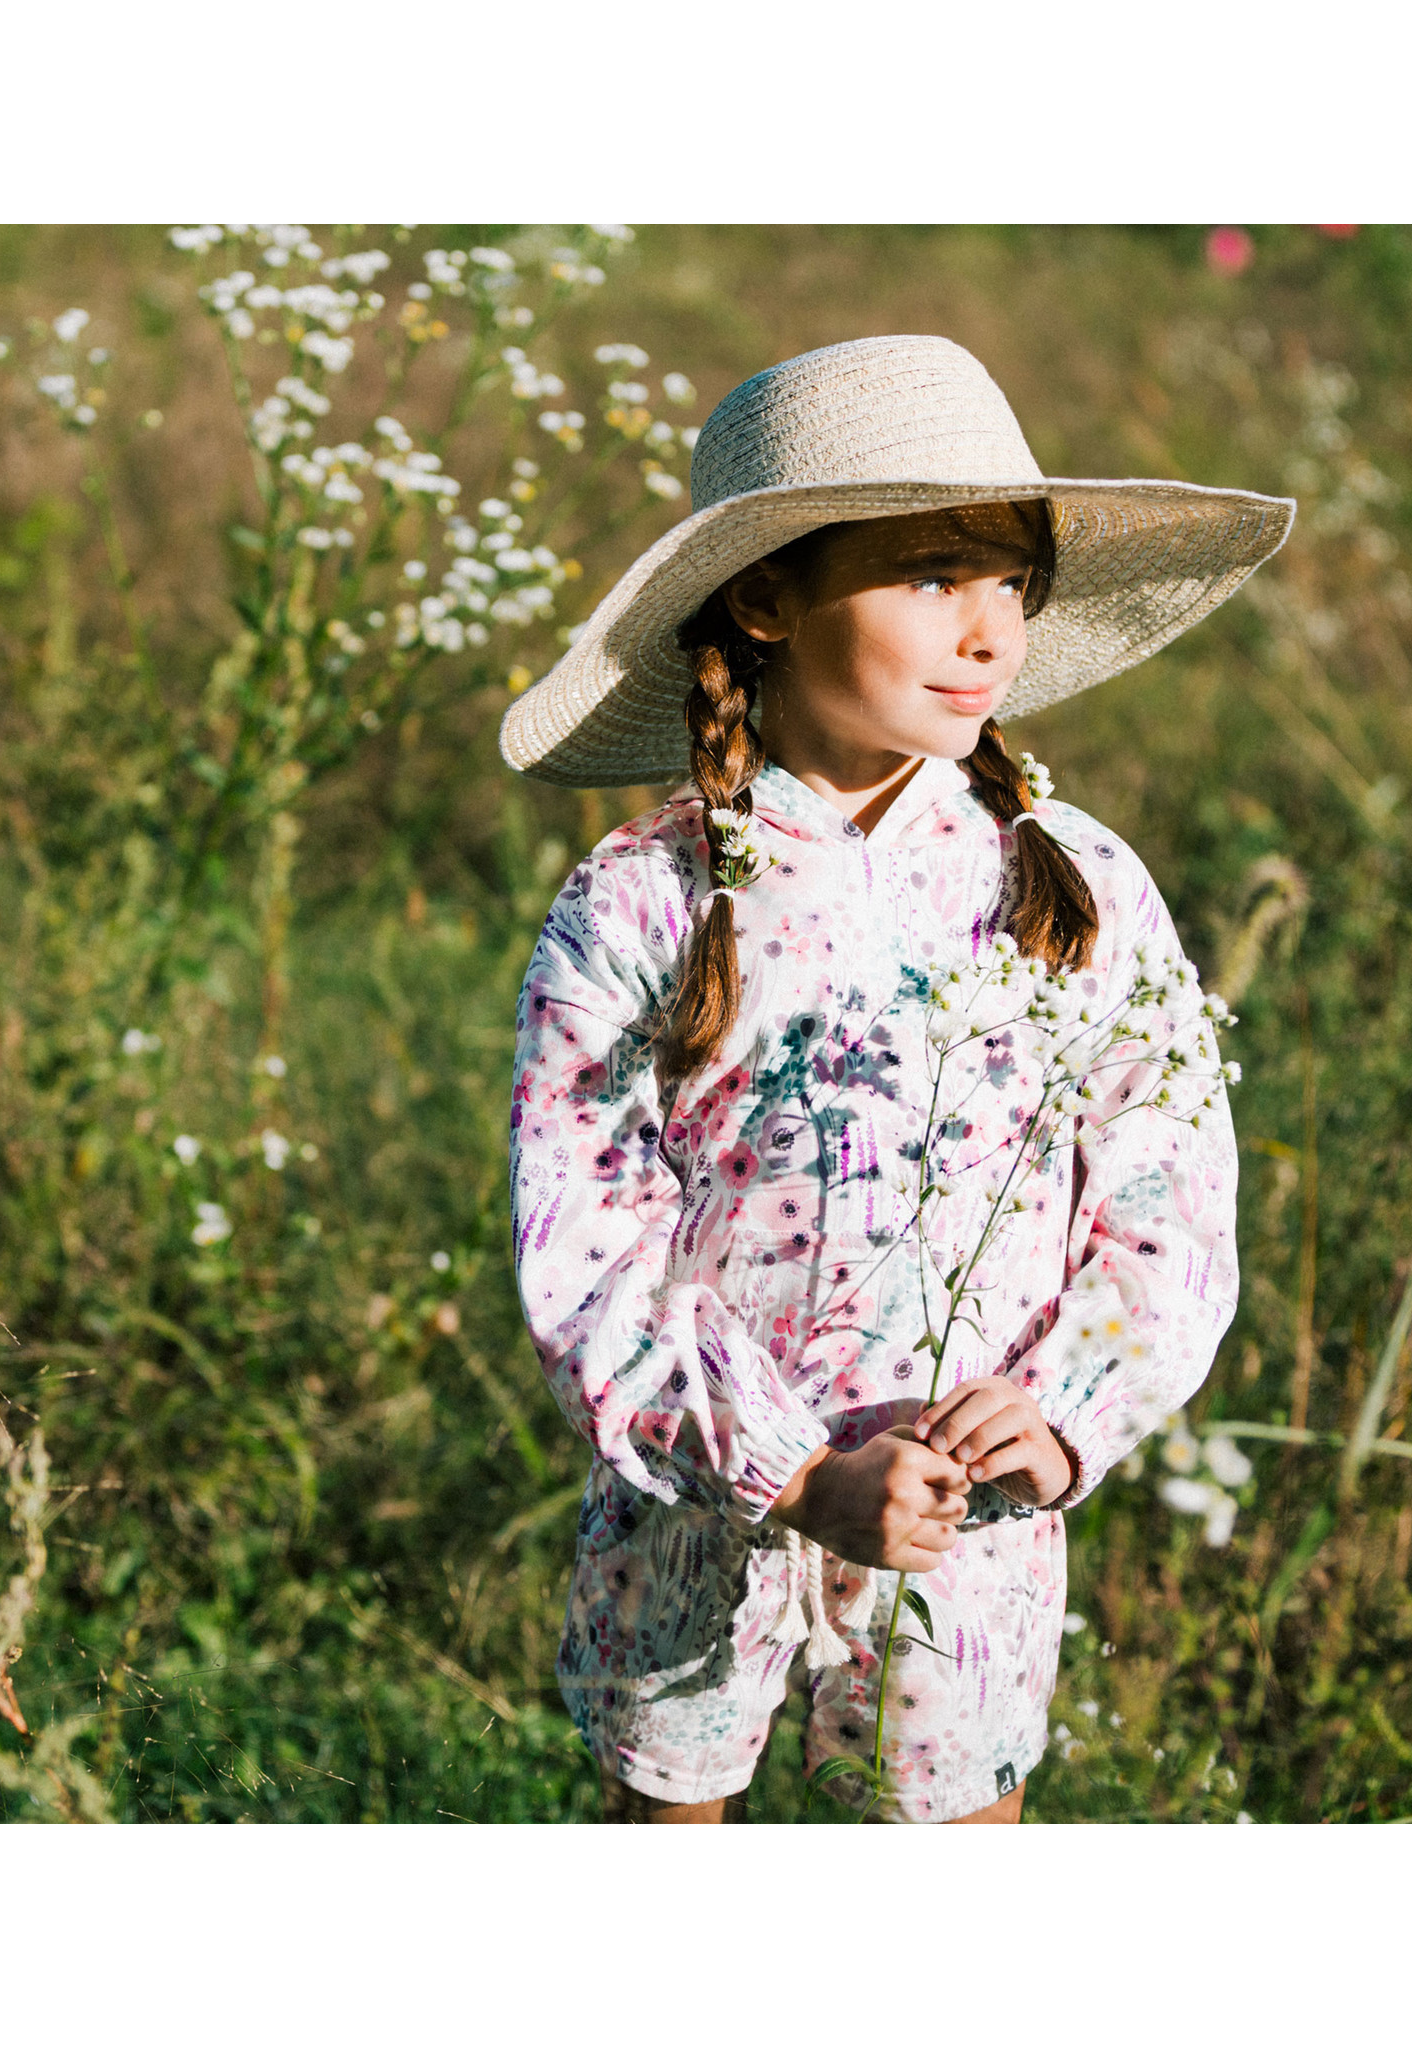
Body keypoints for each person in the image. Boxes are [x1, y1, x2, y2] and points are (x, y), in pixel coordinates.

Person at [500, 335, 1293, 1823]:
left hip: (972, 1522)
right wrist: (787, 1471)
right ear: (766, 594)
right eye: (935, 577)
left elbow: (1164, 1180)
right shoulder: (642, 901)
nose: (991, 632)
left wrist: (1061, 1409)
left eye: (1012, 584)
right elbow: (588, 1242)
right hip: (701, 1517)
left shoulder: (1077, 884)